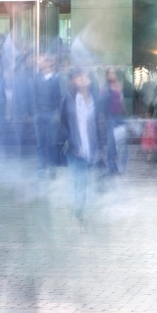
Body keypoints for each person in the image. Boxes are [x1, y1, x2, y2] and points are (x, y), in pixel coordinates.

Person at [61, 68, 102, 231]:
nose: (83, 79)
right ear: (75, 82)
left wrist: (99, 146)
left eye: (85, 77)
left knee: (83, 183)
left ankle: (78, 209)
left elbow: (97, 125)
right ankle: (78, 214)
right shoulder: (69, 100)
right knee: (80, 182)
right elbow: (63, 124)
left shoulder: (94, 100)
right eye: (79, 78)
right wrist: (68, 139)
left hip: (89, 148)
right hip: (74, 149)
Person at [34, 55, 62, 178]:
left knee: (51, 142)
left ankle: (52, 168)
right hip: (39, 113)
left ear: (49, 63)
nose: (41, 63)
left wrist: (58, 113)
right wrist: (34, 111)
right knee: (40, 142)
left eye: (44, 61)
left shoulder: (55, 79)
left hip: (51, 113)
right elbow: (33, 95)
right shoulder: (37, 78)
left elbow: (59, 97)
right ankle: (41, 168)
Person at [101, 68, 126, 175]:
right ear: (107, 75)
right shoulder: (105, 87)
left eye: (113, 72)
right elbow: (101, 103)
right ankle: (111, 167)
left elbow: (121, 100)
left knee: (120, 143)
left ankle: (118, 167)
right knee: (111, 143)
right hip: (110, 117)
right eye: (110, 73)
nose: (112, 75)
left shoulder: (118, 85)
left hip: (119, 117)